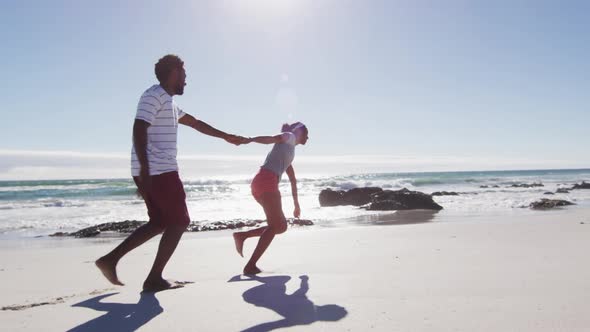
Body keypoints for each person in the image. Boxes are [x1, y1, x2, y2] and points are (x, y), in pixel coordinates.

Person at [96, 54, 245, 292]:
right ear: (174, 73)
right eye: (184, 75)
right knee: (180, 220)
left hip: (153, 169)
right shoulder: (153, 96)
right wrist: (145, 169)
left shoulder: (168, 102)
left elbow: (195, 123)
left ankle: (110, 260)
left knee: (160, 222)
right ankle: (154, 278)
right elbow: (138, 128)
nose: (186, 80)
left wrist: (226, 136)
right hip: (158, 170)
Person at [233, 122, 309, 274]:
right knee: (275, 226)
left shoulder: (289, 151)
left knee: (280, 226)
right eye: (307, 134)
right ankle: (250, 266)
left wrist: (296, 204)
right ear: (300, 133)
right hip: (266, 182)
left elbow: (293, 180)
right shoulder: (289, 137)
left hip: (262, 183)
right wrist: (250, 139)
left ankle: (243, 235)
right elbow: (271, 138)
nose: (308, 138)